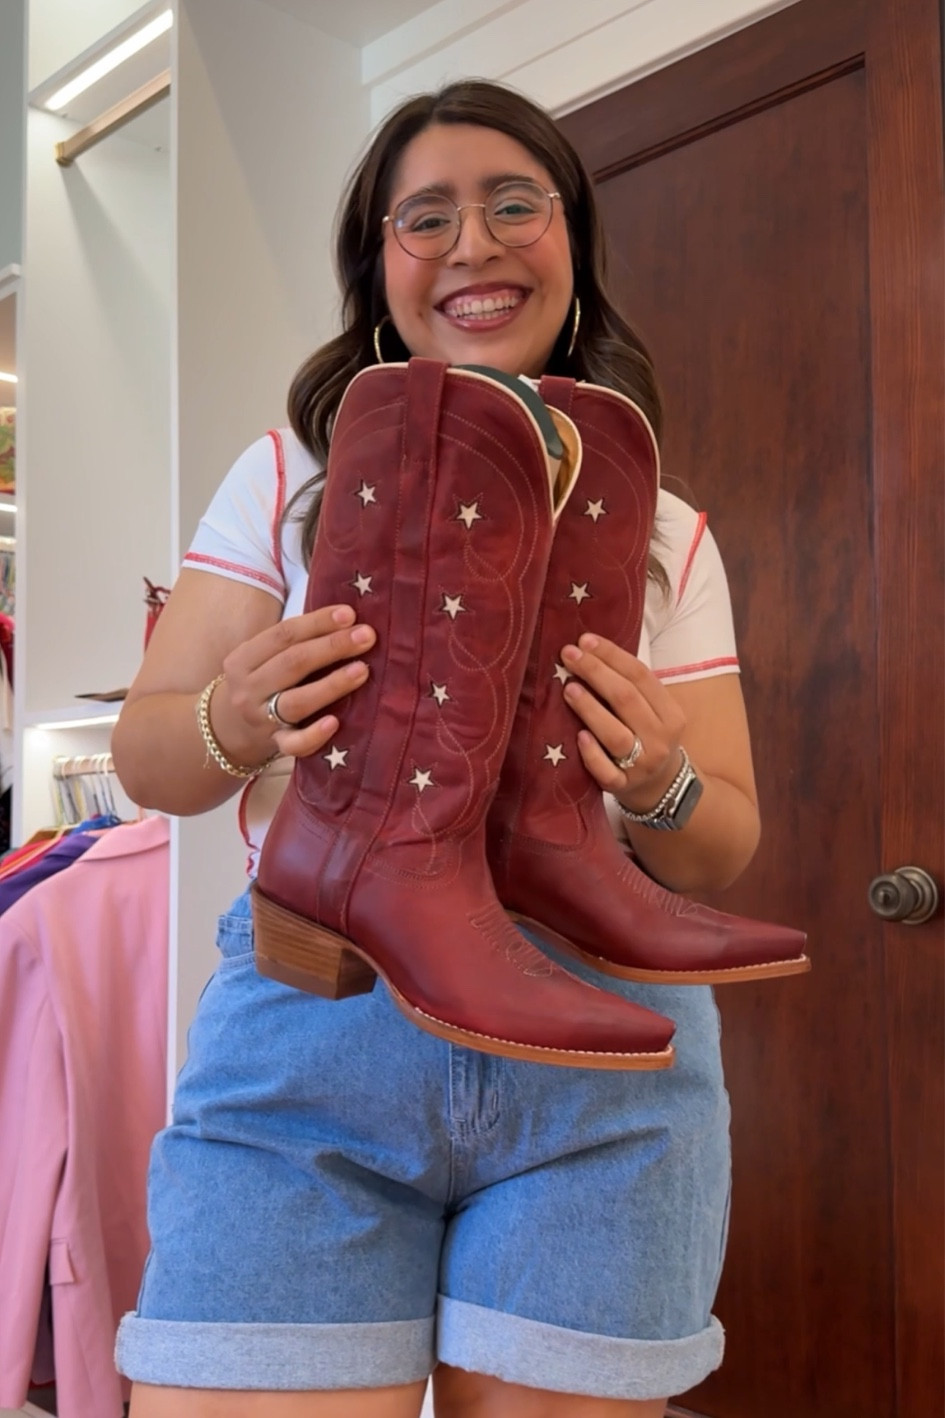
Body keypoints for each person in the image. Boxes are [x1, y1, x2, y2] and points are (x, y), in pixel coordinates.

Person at [112, 79, 765, 1418]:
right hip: (321, 1010)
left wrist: (659, 783)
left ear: (572, 241)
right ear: (378, 270)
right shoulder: (289, 477)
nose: (473, 244)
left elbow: (722, 840)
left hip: (593, 1029)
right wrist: (233, 719)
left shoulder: (661, 524)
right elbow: (149, 762)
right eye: (426, 218)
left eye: (513, 203)